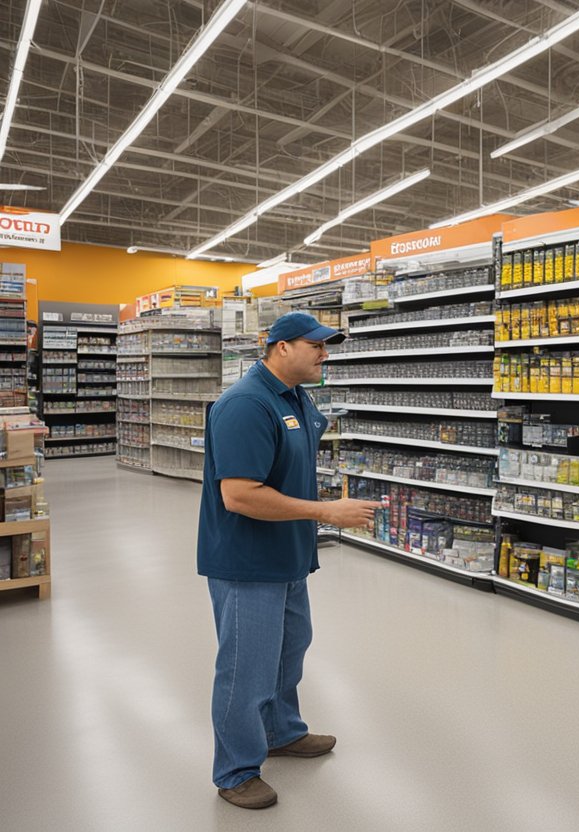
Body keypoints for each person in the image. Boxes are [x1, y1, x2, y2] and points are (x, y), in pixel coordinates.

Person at [197, 311, 380, 810]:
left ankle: (280, 731)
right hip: (247, 560)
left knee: (290, 649)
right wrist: (326, 512)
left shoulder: (296, 396)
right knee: (246, 668)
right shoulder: (245, 405)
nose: (325, 354)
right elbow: (238, 495)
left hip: (286, 554)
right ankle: (235, 770)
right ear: (281, 347)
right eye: (316, 345)